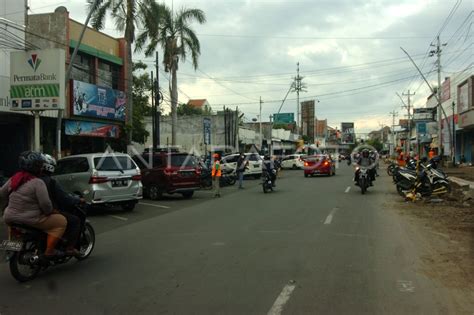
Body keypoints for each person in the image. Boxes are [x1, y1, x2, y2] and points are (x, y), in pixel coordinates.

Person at [0, 151, 67, 258]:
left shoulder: (15, 177)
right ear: (36, 167)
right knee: (61, 221)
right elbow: (46, 205)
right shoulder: (37, 182)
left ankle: (11, 250)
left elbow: (2, 194)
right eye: (39, 165)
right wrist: (50, 212)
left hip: (9, 217)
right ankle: (49, 251)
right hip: (30, 219)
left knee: (13, 228)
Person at [40, 154, 82, 257]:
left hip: (14, 215)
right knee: (73, 221)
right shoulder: (47, 182)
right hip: (41, 214)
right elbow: (63, 198)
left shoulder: (23, 179)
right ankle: (68, 248)